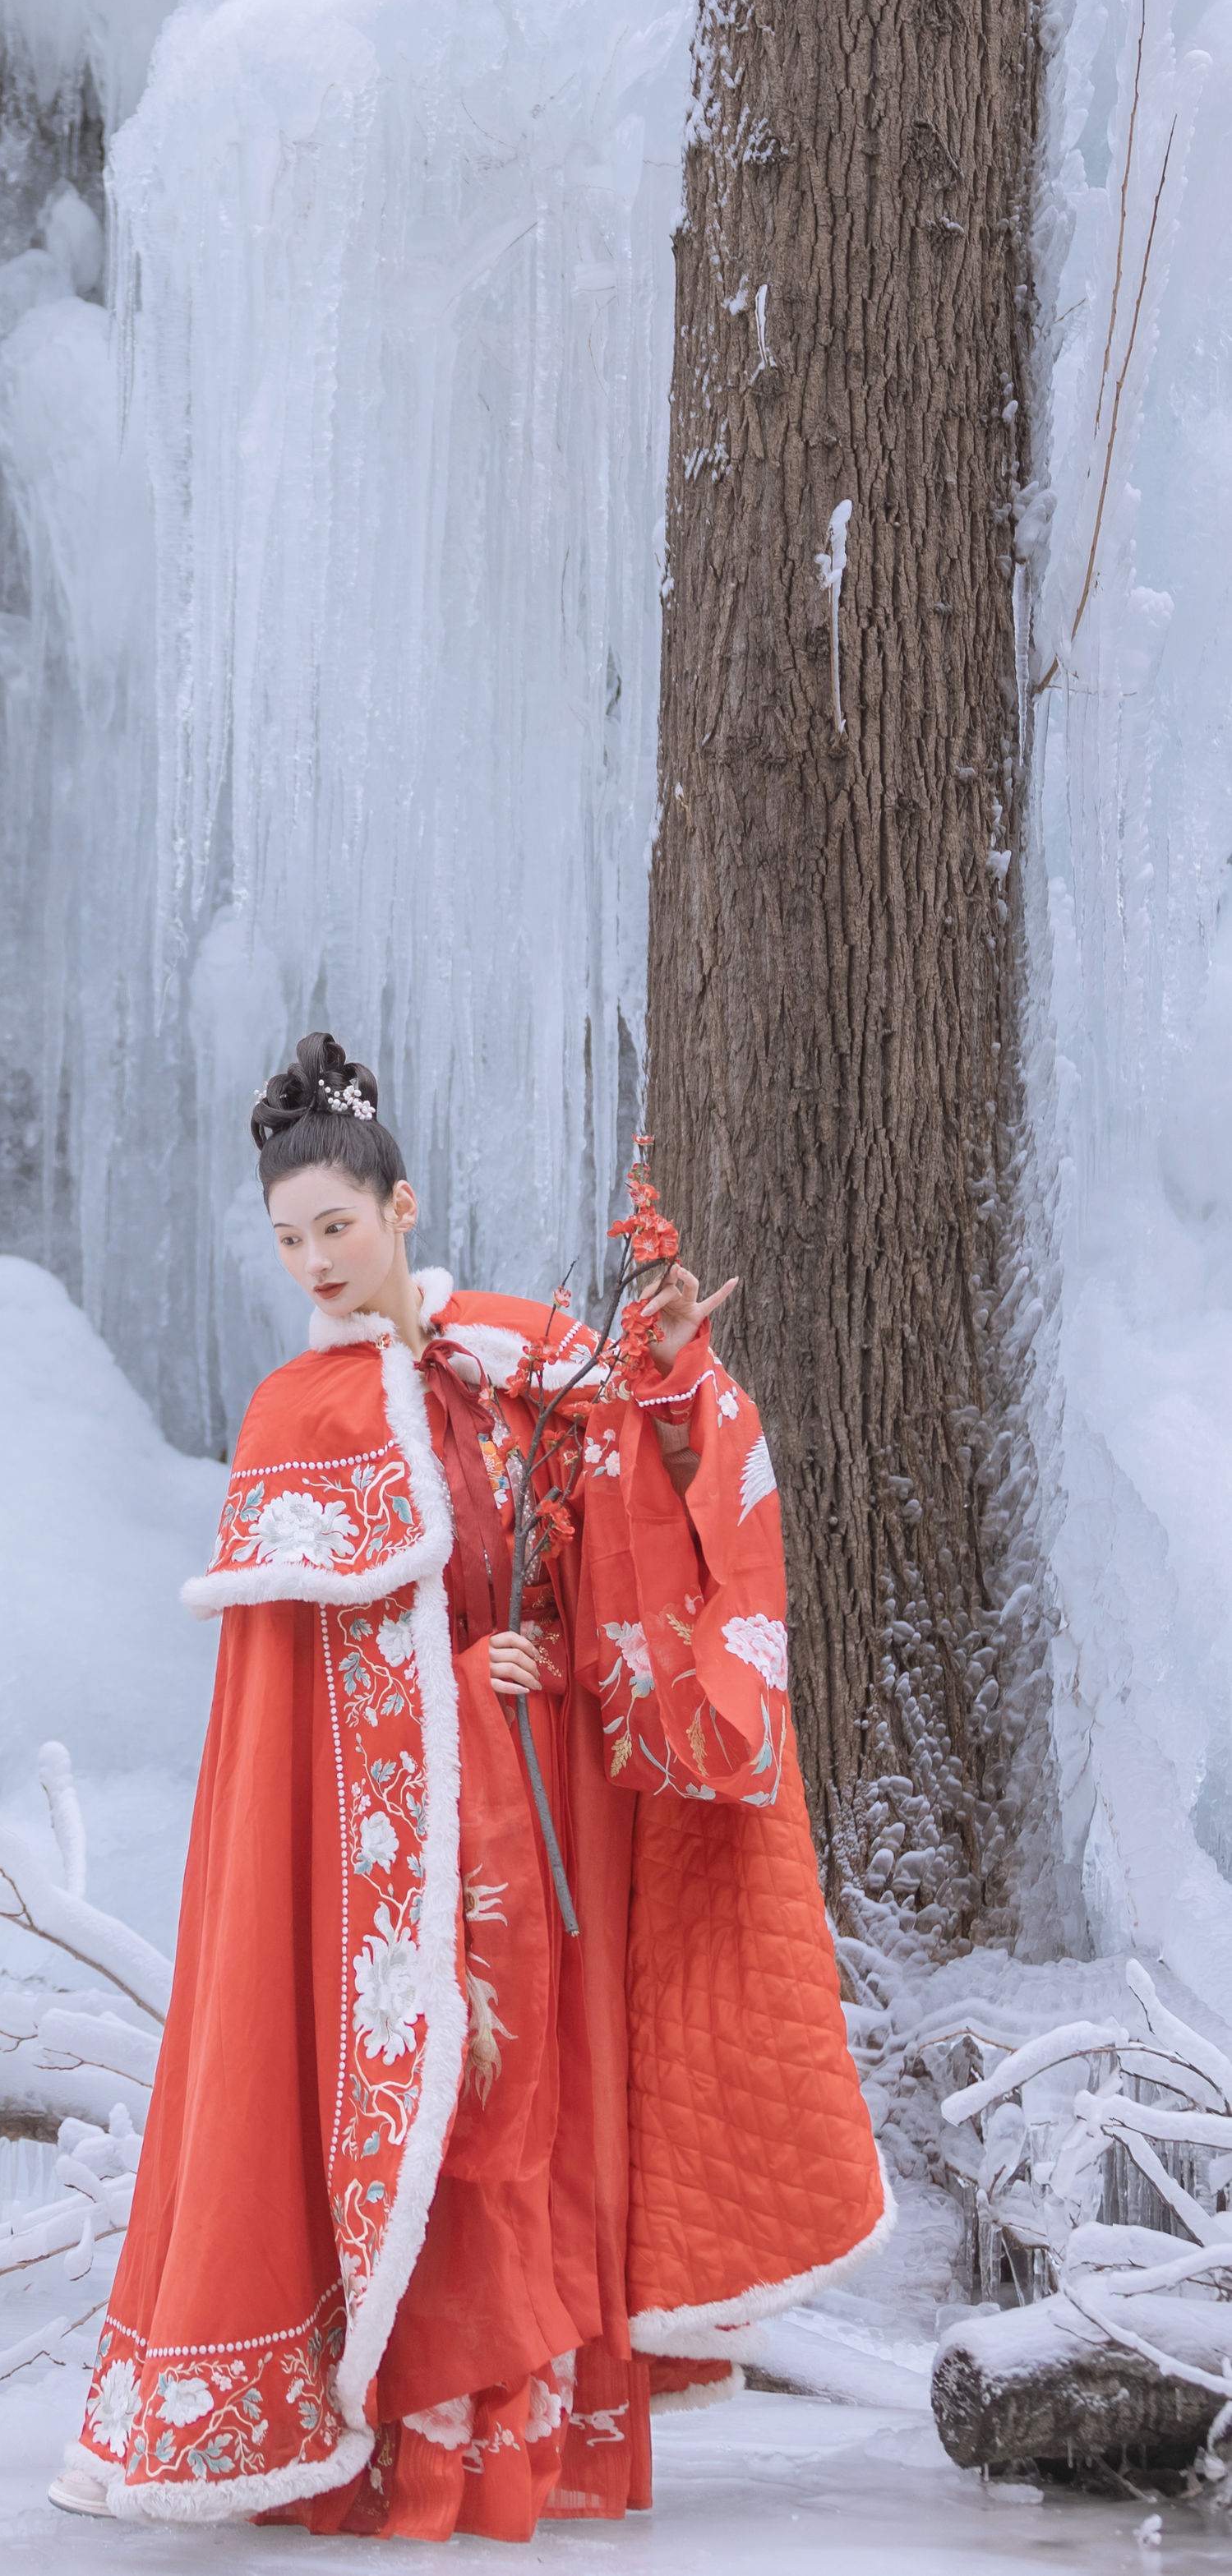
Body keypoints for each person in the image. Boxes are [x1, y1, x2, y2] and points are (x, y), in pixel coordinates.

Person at [52, 1034, 886, 2540]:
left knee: (530, 2127)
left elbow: (638, 1485)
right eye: (289, 1236)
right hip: (399, 1858)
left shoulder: (512, 1362)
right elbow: (295, 1707)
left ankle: (512, 2443)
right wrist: (453, 1670)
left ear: (403, 1208)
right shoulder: (294, 1421)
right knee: (445, 2129)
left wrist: (678, 1365)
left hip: (542, 1820)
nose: (314, 1257)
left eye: (338, 1226)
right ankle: (410, 2457)